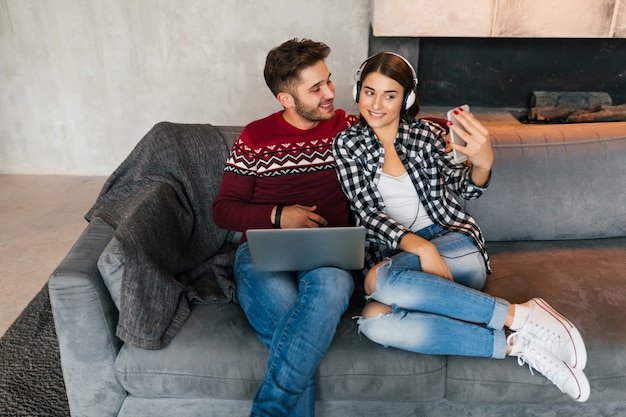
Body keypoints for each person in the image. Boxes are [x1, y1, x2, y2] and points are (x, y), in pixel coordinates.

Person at [332, 51, 590, 402]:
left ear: (406, 99)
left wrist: (483, 164)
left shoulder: (428, 136)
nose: (375, 104)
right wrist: (421, 248)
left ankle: (521, 315)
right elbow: (366, 211)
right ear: (357, 91)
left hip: (455, 246)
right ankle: (518, 342)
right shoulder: (347, 144)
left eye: (389, 95)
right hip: (400, 256)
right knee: (377, 321)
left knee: (379, 282)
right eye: (369, 92)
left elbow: (465, 186)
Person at [212, 39, 359, 417]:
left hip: (329, 251)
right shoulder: (255, 138)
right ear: (286, 99)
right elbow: (223, 210)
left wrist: (452, 130)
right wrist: (278, 215)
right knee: (299, 332)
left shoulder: (347, 127)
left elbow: (400, 121)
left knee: (329, 290)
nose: (330, 93)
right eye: (316, 88)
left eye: (329, 80)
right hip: (264, 252)